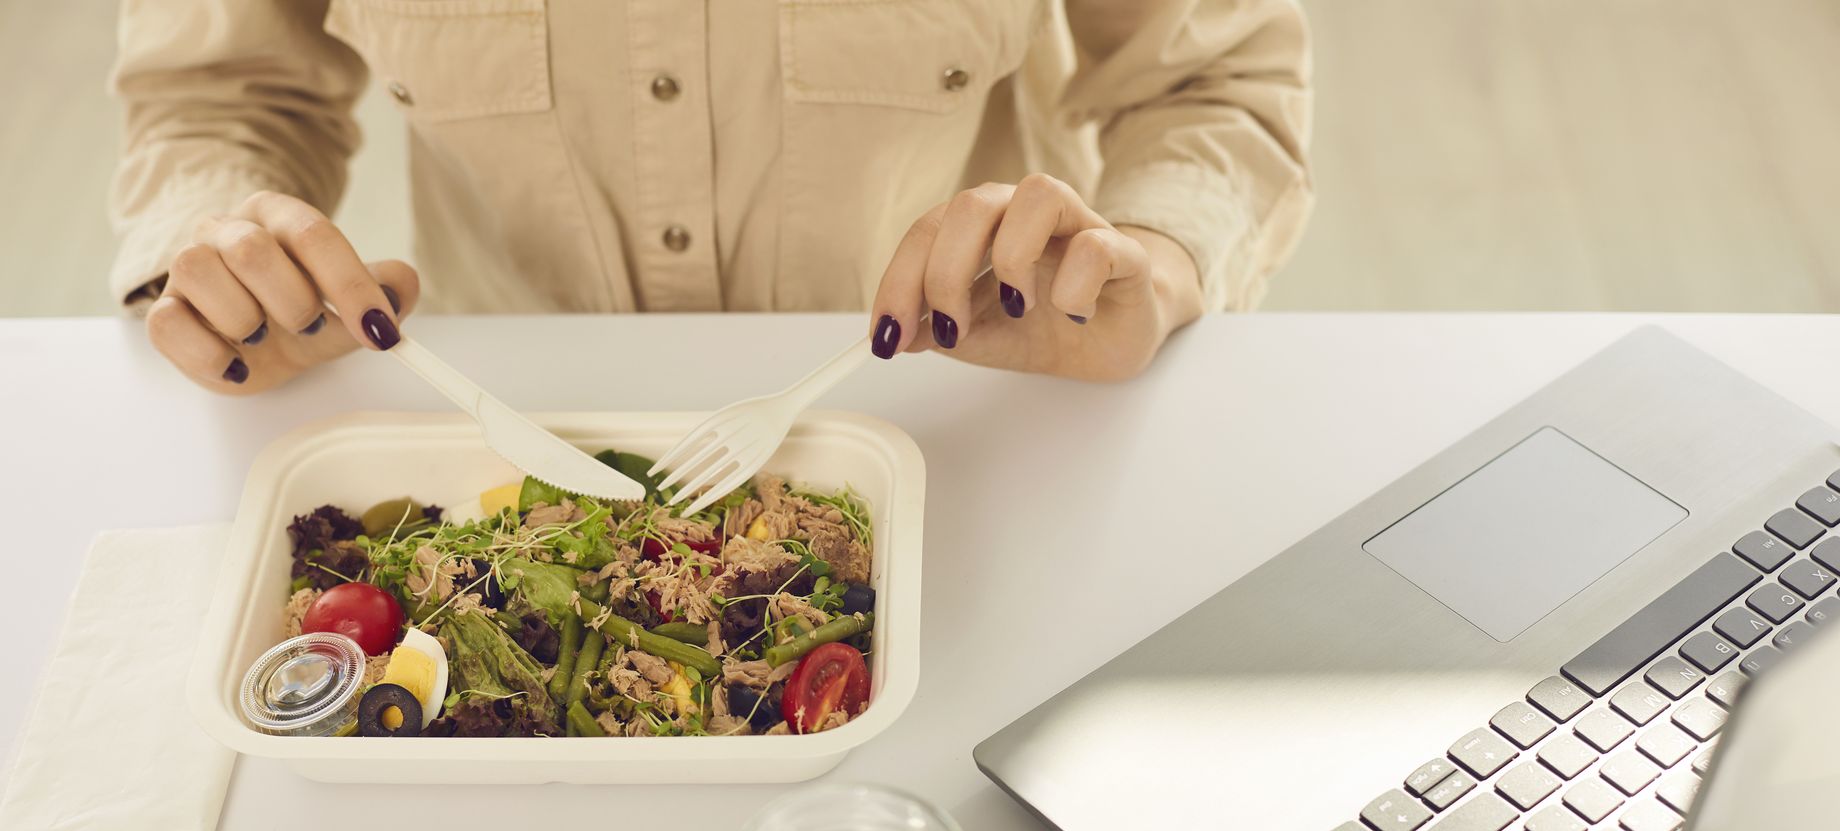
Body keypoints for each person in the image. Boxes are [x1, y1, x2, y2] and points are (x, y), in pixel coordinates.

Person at [110, 1, 1312, 394]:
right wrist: (221, 264)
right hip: (501, 427)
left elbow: (1214, 73)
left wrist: (1151, 258)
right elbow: (219, 98)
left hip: (966, 416)